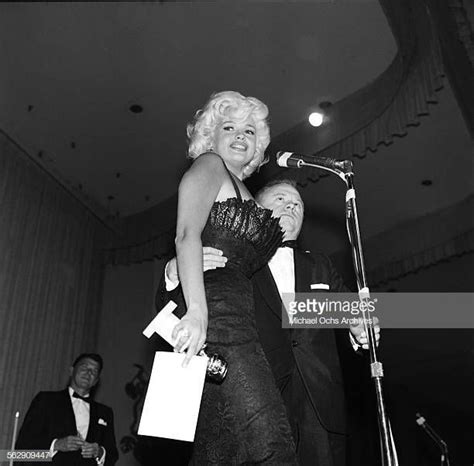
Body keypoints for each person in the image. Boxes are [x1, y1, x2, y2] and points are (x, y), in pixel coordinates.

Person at [161, 178, 380, 466]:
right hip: (250, 402)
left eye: (298, 205)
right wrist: (176, 270)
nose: (292, 205)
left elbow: (352, 312)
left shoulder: (321, 266)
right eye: (280, 199)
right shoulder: (232, 258)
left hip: (319, 413)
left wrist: (361, 330)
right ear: (255, 210)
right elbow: (173, 313)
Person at [170, 91, 298, 464]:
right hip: (218, 320)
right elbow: (185, 236)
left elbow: (292, 301)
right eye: (230, 127)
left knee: (221, 452)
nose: (241, 135)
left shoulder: (246, 192)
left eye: (250, 130)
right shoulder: (210, 165)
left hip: (249, 325)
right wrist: (196, 312)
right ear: (211, 136)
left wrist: (361, 313)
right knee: (271, 446)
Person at [16, 353, 118, 466]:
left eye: (94, 371)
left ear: (96, 381)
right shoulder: (46, 400)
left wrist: (99, 452)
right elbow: (21, 451)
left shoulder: (105, 412)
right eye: (84, 367)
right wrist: (56, 445)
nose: (89, 373)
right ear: (71, 371)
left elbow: (112, 456)